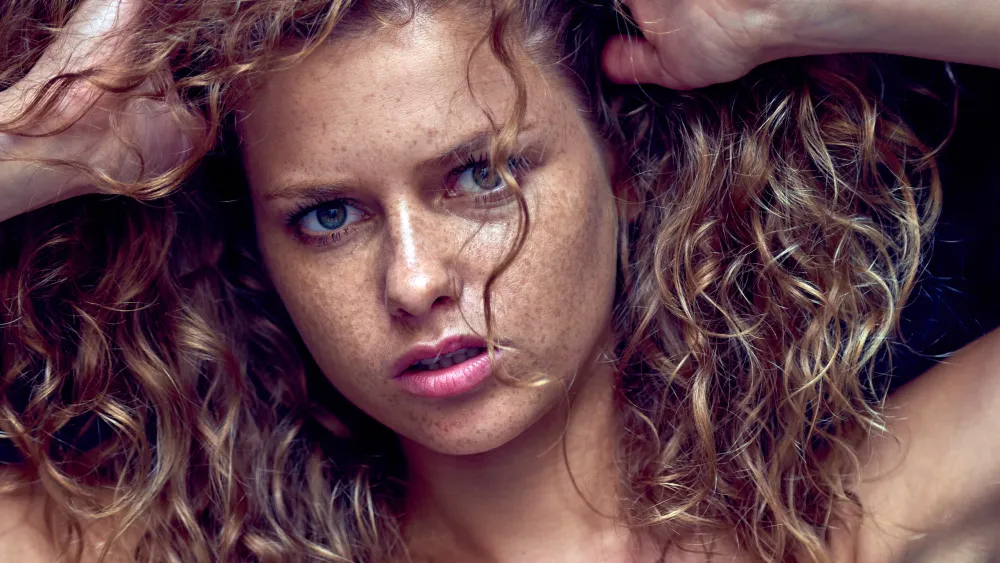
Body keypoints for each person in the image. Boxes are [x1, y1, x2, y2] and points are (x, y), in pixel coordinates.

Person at [0, 0, 997, 561]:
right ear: (259, 250)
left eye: (479, 176)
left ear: (625, 166)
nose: (415, 278)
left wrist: (788, 12)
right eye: (327, 215)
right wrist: (45, 146)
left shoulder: (857, 526)